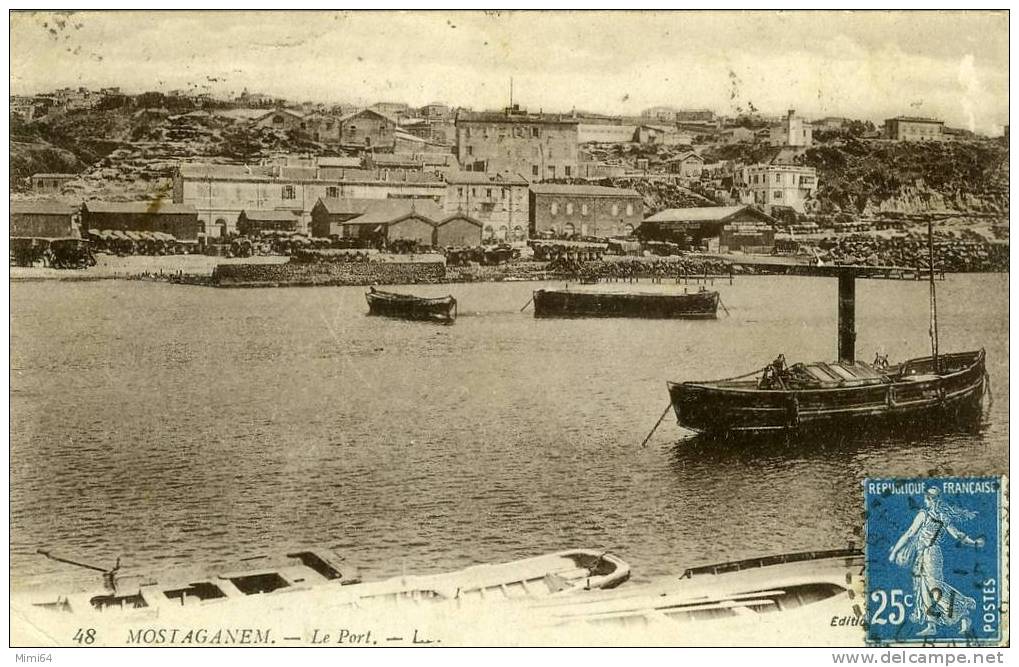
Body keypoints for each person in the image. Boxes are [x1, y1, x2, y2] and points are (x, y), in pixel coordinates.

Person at [888, 487, 983, 636]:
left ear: (930, 499)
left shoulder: (925, 515)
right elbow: (957, 535)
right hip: (924, 554)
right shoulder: (941, 516)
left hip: (931, 554)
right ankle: (931, 624)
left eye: (926, 498)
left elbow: (909, 534)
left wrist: (894, 552)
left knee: (934, 588)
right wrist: (973, 543)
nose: (925, 500)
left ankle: (963, 609)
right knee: (924, 589)